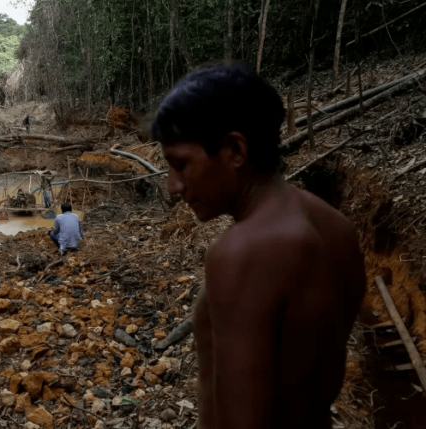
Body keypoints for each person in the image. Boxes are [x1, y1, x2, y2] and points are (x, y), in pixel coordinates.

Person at [152, 62, 365, 429]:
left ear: (235, 150)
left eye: (182, 165)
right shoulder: (335, 227)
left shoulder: (245, 251)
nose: (173, 186)